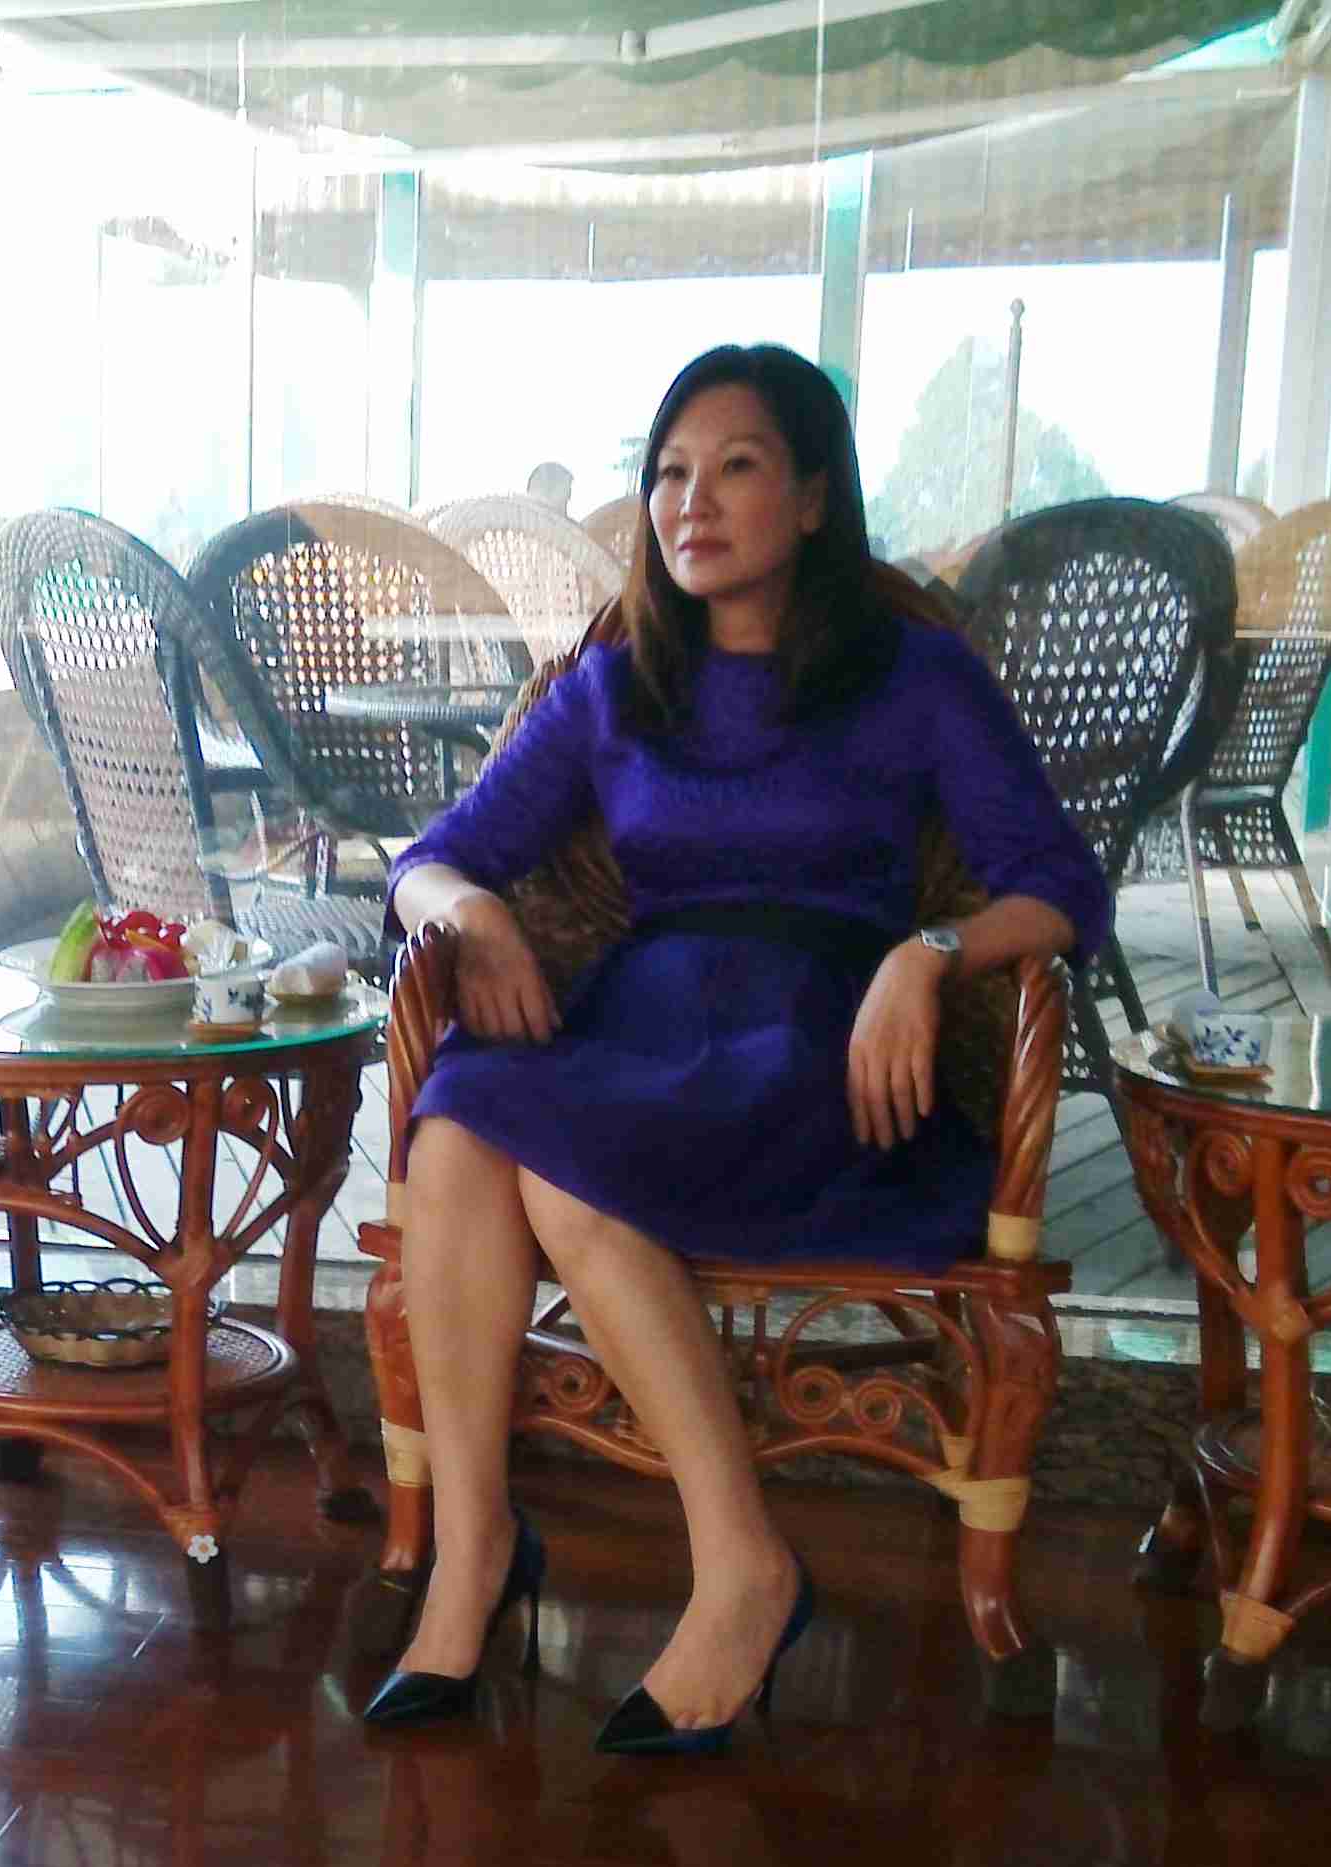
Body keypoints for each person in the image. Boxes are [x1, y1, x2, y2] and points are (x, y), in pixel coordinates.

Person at [365, 344, 1108, 1753]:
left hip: (819, 1040)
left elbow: (1062, 885)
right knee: (457, 1123)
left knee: (559, 1160)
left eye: (737, 466)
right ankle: (473, 1554)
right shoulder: (614, 688)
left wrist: (929, 951)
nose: (689, 502)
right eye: (668, 473)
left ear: (815, 496)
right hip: (647, 1020)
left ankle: (743, 1569)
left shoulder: (915, 676)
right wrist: (475, 914)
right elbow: (431, 859)